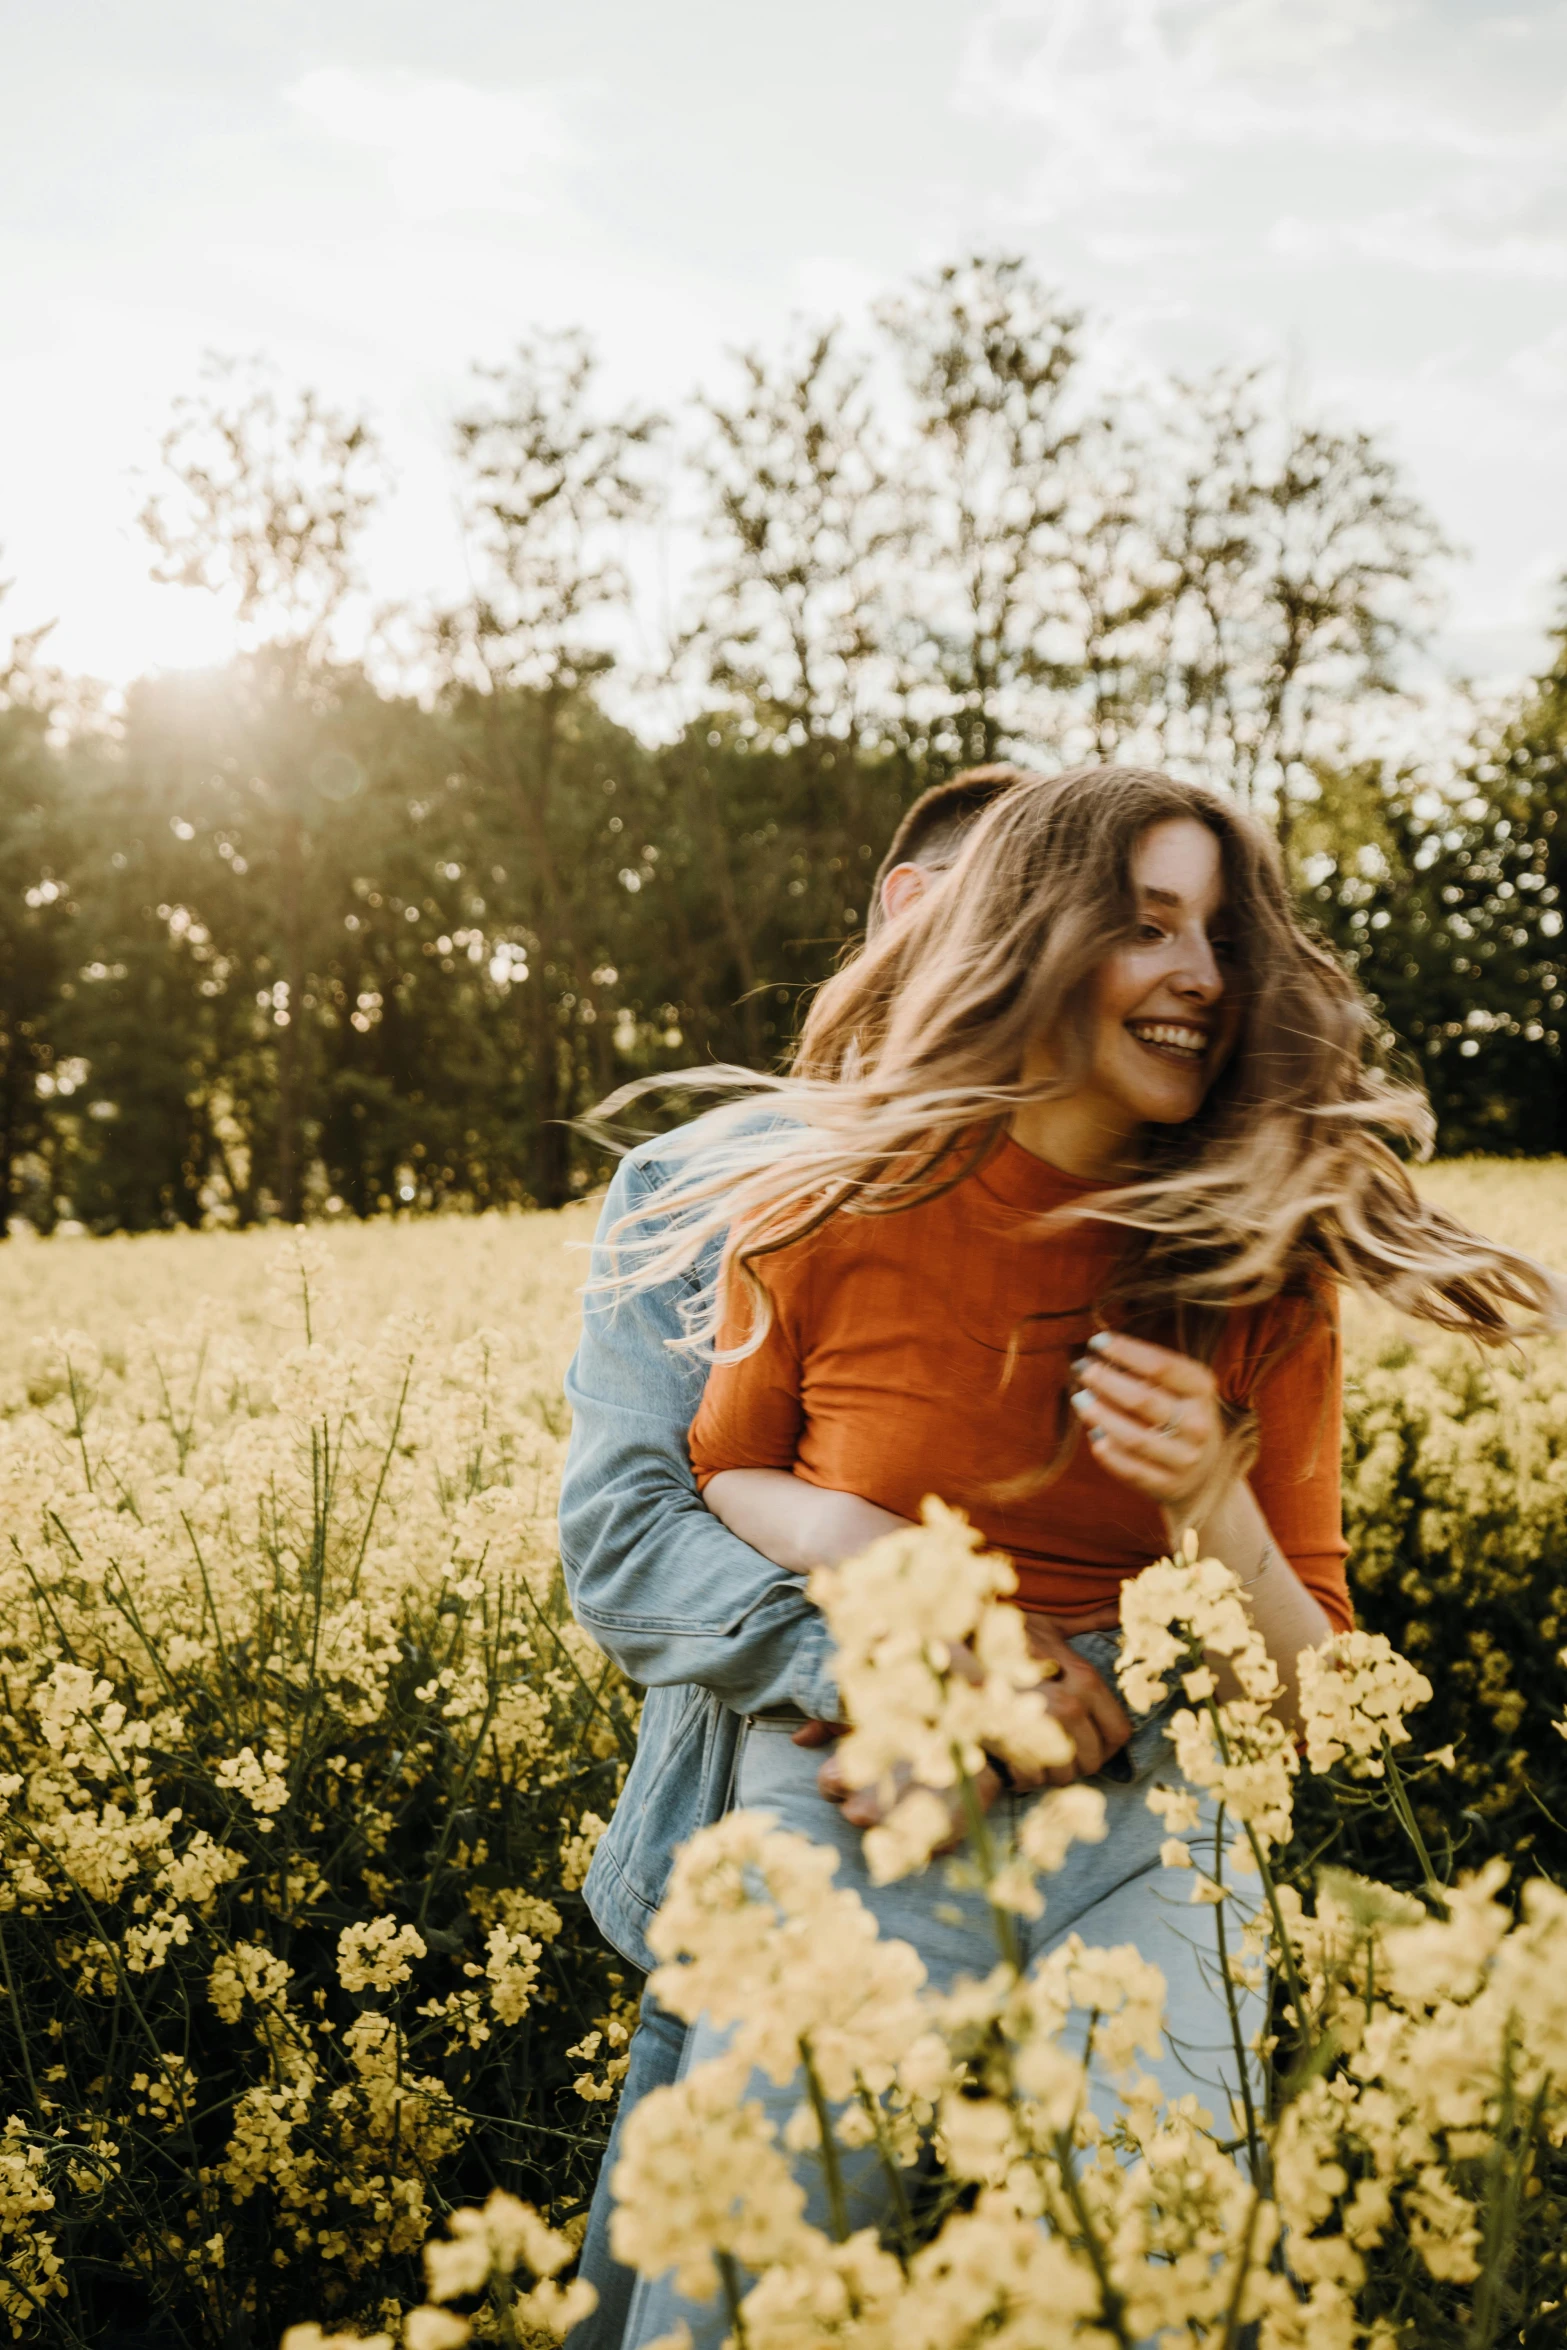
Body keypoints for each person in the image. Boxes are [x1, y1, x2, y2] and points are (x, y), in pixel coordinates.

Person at [571, 763, 1563, 2350]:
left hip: (1145, 1805)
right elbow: (710, 1485)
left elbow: (1321, 1710)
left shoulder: (1258, 1265)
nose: (1199, 972)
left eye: (1221, 937)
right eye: (1146, 923)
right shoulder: (803, 1201)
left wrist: (1213, 1498)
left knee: (1153, 2267)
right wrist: (906, 1582)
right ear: (1021, 934)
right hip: (850, 1779)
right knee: (727, 2288)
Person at [559, 763, 1035, 2349]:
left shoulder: (1127, 1192)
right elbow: (627, 1542)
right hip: (763, 1866)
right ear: (914, 907)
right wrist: (882, 1667)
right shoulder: (698, 1182)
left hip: (1068, 1894)